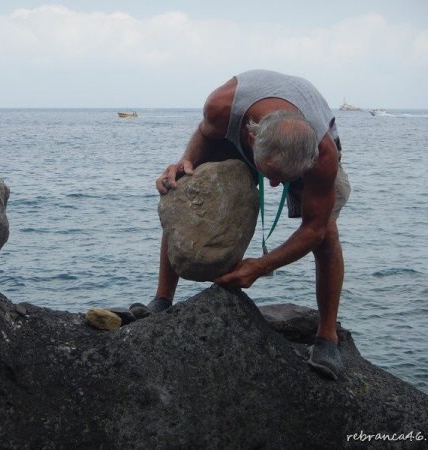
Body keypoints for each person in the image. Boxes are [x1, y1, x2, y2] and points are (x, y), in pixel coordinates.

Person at [138, 69, 351, 380]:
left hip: (309, 137)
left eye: (286, 179)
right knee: (184, 188)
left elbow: (314, 228)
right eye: (271, 174)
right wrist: (185, 162)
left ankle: (327, 337)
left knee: (328, 232)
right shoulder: (222, 107)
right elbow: (205, 132)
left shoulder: (322, 154)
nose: (275, 185)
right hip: (247, 126)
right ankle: (161, 299)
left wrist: (260, 266)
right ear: (251, 140)